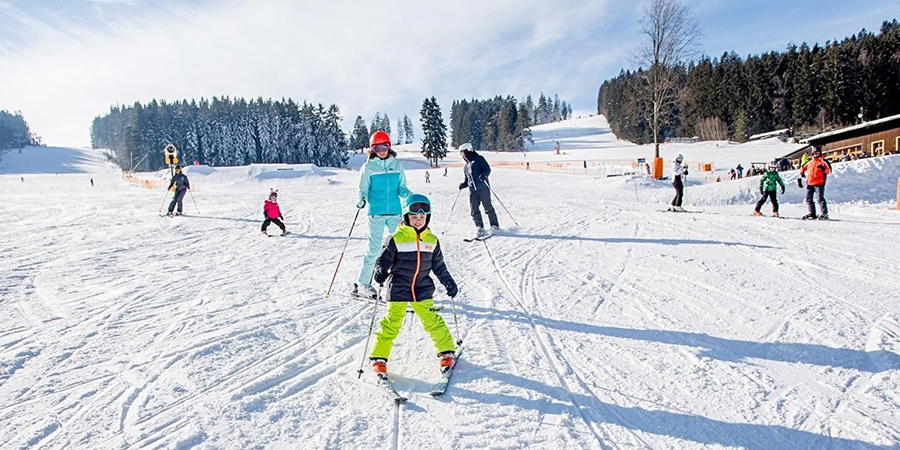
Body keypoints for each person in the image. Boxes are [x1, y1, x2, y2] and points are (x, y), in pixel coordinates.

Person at [369, 194, 458, 378]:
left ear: (428, 217)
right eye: (414, 217)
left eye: (422, 217)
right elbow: (382, 261)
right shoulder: (395, 238)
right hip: (399, 286)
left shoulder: (431, 240)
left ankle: (446, 352)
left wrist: (448, 281)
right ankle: (378, 357)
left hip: (422, 287)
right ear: (406, 217)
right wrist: (380, 271)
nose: (418, 221)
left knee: (432, 320)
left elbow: (439, 266)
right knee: (392, 323)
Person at [353, 131, 411, 299]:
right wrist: (361, 199)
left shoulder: (396, 165)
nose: (381, 151)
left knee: (401, 246)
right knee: (375, 247)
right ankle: (363, 283)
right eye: (377, 148)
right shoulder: (368, 167)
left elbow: (402, 188)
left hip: (395, 212)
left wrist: (410, 197)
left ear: (389, 146)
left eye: (384, 147)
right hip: (376, 213)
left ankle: (401, 284)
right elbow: (362, 189)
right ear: (372, 149)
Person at [458, 142, 499, 238]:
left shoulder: (479, 159)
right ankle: (479, 227)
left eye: (462, 152)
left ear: (467, 151)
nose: (461, 154)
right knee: (474, 209)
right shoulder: (466, 166)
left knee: (487, 207)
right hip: (473, 190)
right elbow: (467, 179)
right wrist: (463, 184)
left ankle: (494, 226)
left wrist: (484, 175)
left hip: (483, 187)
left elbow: (487, 169)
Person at [799, 146, 831, 220]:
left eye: (817, 153)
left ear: (820, 153)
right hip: (810, 183)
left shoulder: (823, 162)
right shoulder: (810, 162)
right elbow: (803, 168)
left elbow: (828, 171)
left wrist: (823, 169)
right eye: (814, 153)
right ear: (812, 153)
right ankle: (812, 213)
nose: (816, 154)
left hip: (819, 183)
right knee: (808, 199)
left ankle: (824, 213)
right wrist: (802, 174)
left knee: (820, 198)